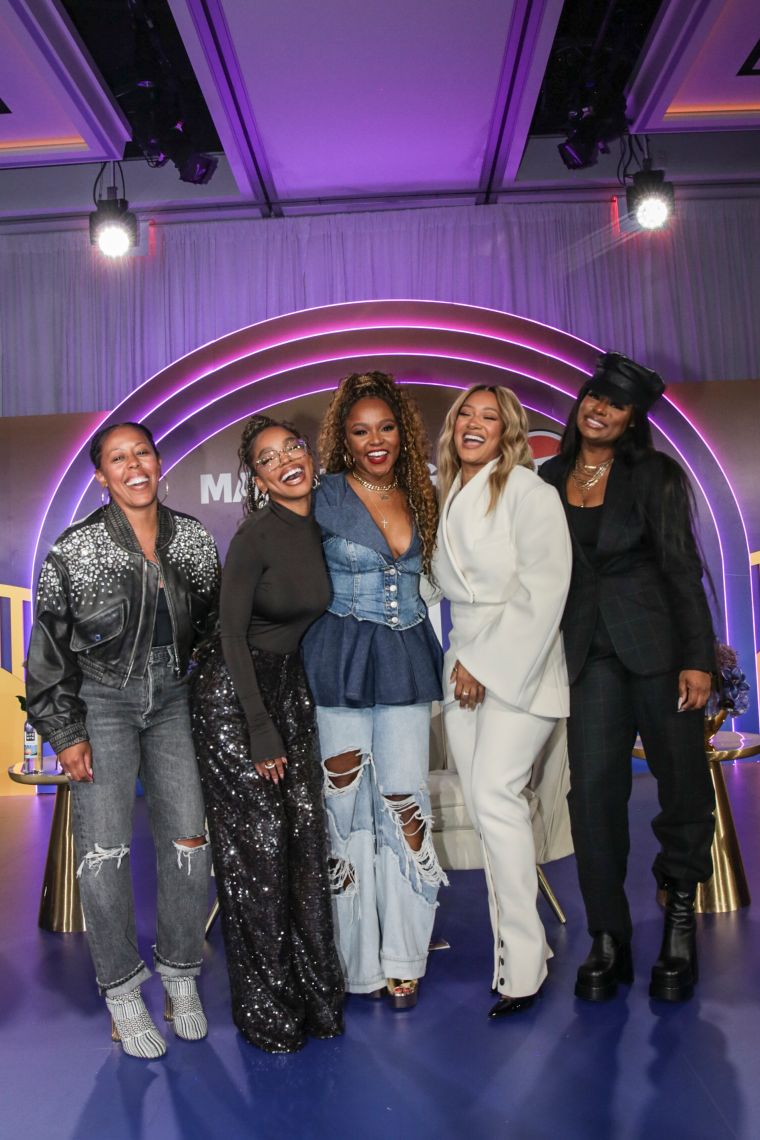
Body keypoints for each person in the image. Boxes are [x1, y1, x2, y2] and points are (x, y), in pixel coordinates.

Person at [25, 422, 220, 1059]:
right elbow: (46, 653)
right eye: (118, 459)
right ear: (102, 477)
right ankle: (120, 992)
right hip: (100, 702)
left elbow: (214, 632)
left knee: (189, 843)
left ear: (157, 463)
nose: (134, 466)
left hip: (173, 699)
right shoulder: (72, 551)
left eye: (142, 453)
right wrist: (65, 731)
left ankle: (180, 977)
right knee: (105, 852)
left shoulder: (192, 539)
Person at [540, 351, 716, 1003]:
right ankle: (608, 938)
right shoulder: (548, 476)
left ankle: (677, 921)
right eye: (594, 397)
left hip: (661, 650)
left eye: (615, 404)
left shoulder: (656, 476)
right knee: (591, 801)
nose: (600, 409)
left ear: (632, 418)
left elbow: (682, 567)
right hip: (588, 655)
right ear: (580, 403)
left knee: (683, 788)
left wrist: (699, 658)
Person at [190, 415, 344, 1053]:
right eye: (268, 458)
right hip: (235, 698)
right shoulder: (255, 535)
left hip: (290, 691)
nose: (285, 461)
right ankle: (267, 1011)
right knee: (259, 856)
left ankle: (314, 996)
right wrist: (258, 726)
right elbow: (229, 637)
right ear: (255, 478)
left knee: (305, 841)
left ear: (309, 455)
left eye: (292, 448)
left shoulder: (328, 521)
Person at [302, 371, 447, 1010]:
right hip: (338, 661)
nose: (375, 440)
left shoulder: (424, 492)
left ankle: (404, 959)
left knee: (406, 805)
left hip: (406, 660)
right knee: (345, 812)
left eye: (385, 427)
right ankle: (352, 962)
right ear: (343, 439)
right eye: (360, 431)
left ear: (403, 432)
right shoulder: (322, 493)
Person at [433, 385, 573, 1019]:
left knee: (493, 794)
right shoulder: (445, 494)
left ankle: (524, 961)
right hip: (461, 663)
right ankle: (519, 957)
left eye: (491, 417)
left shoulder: (530, 491)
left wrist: (484, 666)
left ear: (508, 431)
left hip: (523, 668)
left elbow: (545, 591)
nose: (475, 423)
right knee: (492, 815)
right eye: (467, 412)